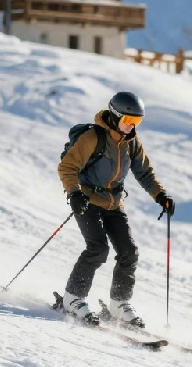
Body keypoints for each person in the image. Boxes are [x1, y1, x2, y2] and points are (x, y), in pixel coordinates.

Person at [55, 91, 174, 328]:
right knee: (98, 248)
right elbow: (67, 166)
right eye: (129, 121)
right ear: (115, 115)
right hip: (87, 200)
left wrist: (160, 195)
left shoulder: (132, 143)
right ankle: (72, 298)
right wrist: (74, 193)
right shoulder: (92, 137)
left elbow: (144, 173)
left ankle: (119, 304)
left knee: (129, 252)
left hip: (113, 203)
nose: (132, 126)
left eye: (137, 122)